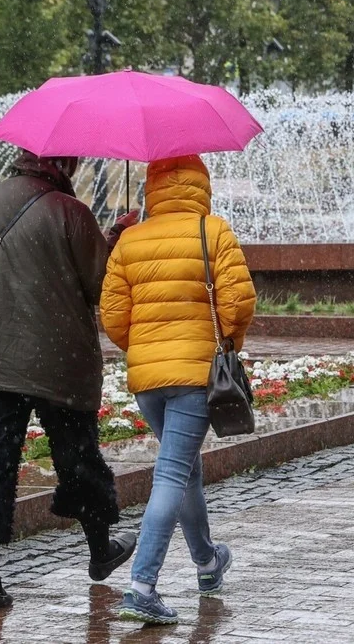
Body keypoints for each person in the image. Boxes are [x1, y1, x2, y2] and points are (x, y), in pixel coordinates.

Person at [0, 151, 141, 613]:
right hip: (60, 360)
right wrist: (117, 241)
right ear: (63, 164)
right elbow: (100, 285)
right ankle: (100, 552)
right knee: (78, 457)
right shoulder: (71, 212)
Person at [101, 154, 256, 625]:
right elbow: (239, 303)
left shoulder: (130, 240)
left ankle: (208, 563)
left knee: (184, 471)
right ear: (200, 184)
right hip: (194, 375)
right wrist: (227, 344)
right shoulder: (214, 231)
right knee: (171, 475)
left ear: (153, 187)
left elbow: (112, 316)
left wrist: (144, 349)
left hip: (148, 381)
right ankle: (141, 586)